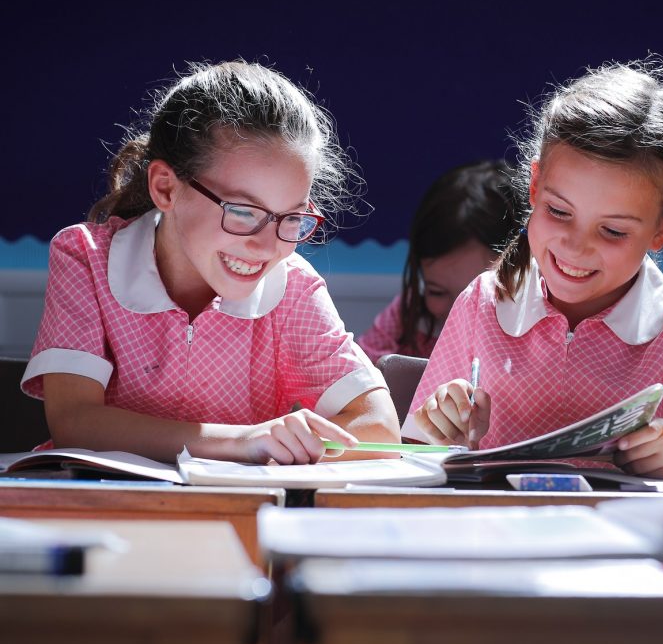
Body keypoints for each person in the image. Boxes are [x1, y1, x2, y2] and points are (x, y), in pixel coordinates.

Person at [22, 60, 399, 465]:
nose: (265, 246)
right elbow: (75, 422)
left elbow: (379, 428)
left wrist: (287, 451)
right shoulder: (86, 258)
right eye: (241, 211)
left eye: (291, 217)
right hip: (103, 510)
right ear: (165, 188)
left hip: (232, 515)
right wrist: (241, 442)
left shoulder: (292, 287)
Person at [403, 60, 663, 479]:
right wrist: (441, 429)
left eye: (612, 231)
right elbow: (412, 453)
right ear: (535, 188)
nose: (576, 246)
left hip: (641, 543)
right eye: (558, 211)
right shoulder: (484, 301)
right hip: (502, 539)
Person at [357, 160, 520, 364]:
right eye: (437, 292)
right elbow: (357, 372)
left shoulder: (533, 331)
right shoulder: (409, 316)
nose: (458, 312)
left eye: (480, 293)